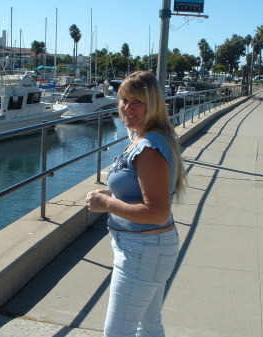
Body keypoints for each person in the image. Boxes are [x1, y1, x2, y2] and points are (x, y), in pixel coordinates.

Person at [86, 71, 185, 337]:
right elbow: (143, 192)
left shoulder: (149, 147)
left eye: (137, 102)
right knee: (148, 326)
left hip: (143, 251)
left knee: (117, 333)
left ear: (152, 104)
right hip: (148, 248)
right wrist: (113, 193)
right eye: (124, 100)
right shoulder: (147, 137)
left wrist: (106, 203)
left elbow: (156, 212)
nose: (128, 108)